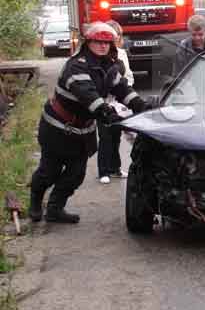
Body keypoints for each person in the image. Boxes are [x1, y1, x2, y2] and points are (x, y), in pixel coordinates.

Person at [28, 22, 150, 223]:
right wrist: (106, 112)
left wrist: (140, 105)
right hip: (57, 128)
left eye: (107, 43)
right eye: (98, 42)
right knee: (48, 171)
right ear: (88, 43)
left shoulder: (108, 66)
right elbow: (87, 94)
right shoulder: (77, 65)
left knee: (76, 174)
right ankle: (35, 203)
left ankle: (54, 209)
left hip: (82, 130)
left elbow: (122, 89)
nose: (103, 46)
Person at [96, 20, 134, 184]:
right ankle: (103, 171)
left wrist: (127, 87)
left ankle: (115, 168)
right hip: (104, 101)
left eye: (117, 35)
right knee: (105, 137)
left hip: (120, 102)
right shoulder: (99, 57)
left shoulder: (122, 53)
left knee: (116, 135)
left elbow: (129, 74)